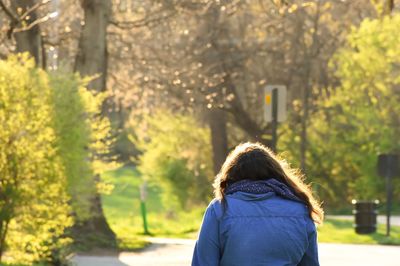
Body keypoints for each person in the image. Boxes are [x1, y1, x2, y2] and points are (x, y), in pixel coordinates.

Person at [192, 142, 324, 266]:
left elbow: (204, 262)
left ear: (231, 175)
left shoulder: (219, 209)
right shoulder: (300, 210)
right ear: (277, 173)